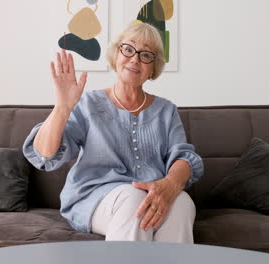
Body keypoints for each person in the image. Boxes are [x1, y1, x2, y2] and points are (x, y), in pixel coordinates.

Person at [23, 22, 204, 243]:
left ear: (152, 67)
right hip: (96, 197)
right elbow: (45, 154)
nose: (135, 59)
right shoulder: (88, 104)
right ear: (116, 55)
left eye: (145, 55)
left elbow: (184, 157)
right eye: (128, 49)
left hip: (148, 194)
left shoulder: (165, 110)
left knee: (183, 202)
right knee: (134, 200)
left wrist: (170, 184)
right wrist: (62, 107)